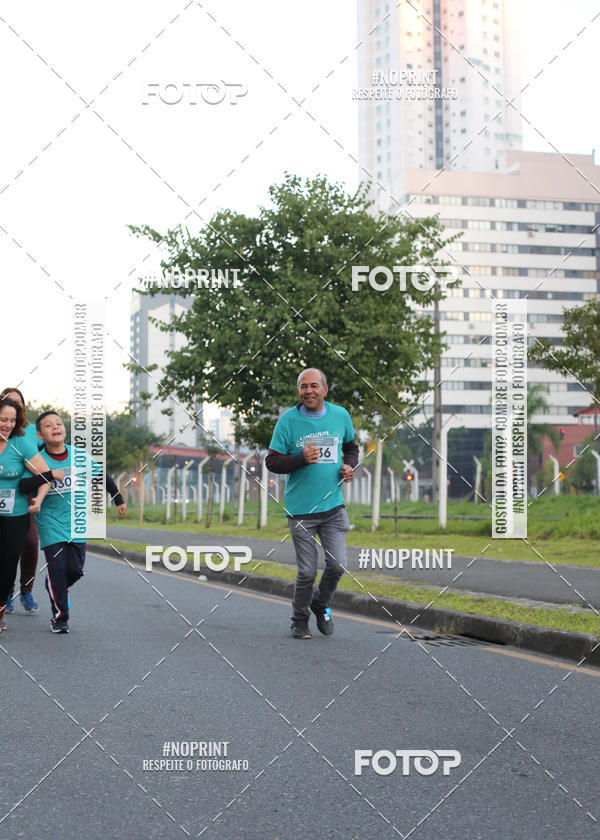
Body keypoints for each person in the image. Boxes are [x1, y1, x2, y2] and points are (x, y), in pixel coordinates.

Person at [266, 369, 358, 639]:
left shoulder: (340, 415)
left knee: (338, 565)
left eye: (314, 386)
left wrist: (349, 465)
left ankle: (320, 603)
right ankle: (299, 619)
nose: (309, 391)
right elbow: (272, 461)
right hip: (301, 510)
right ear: (298, 391)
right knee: (307, 571)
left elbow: (351, 448)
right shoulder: (288, 421)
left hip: (333, 507)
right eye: (303, 387)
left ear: (325, 390)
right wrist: (300, 459)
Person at [18, 410, 127, 633]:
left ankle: (56, 586)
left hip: (77, 522)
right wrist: (48, 475)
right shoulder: (37, 460)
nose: (55, 427)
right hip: (50, 523)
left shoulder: (79, 455)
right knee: (57, 569)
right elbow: (24, 486)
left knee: (75, 570)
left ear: (64, 429)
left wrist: (118, 499)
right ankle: (60, 619)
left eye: (58, 423)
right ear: (39, 435)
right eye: (48, 426)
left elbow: (101, 475)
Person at [0, 396, 56, 632]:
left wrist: (39, 500)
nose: (8, 424)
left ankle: (1, 609)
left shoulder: (20, 444)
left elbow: (46, 475)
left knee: (6, 565)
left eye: (12, 420)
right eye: (3, 419)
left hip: (16, 515)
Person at [0, 387, 43, 614]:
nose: (8, 423)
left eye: (18, 403)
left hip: (24, 496)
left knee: (28, 543)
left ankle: (25, 589)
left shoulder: (28, 434)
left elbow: (44, 465)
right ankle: (5, 595)